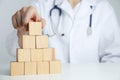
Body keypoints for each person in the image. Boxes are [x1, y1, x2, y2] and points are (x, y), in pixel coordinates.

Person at [11, 0, 120, 63]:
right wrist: (22, 33)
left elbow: (114, 57)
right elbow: (13, 50)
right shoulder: (41, 6)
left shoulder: (104, 9)